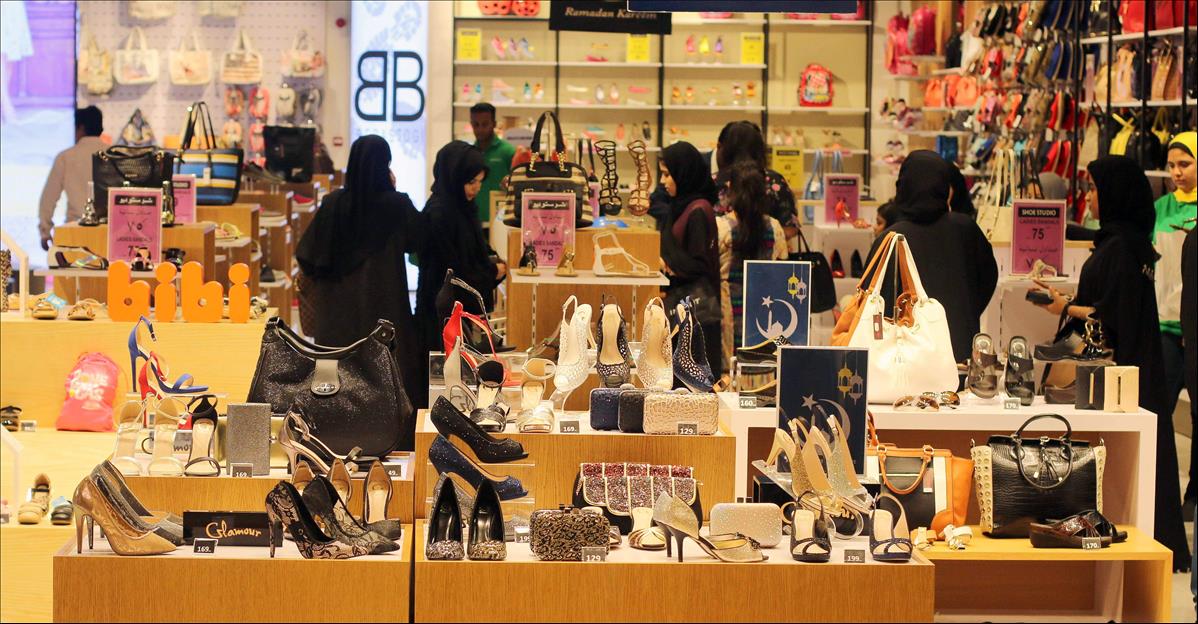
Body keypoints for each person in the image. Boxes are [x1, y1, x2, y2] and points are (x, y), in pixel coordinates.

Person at [1029, 155, 1189, 572]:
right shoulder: (1127, 242)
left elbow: (1110, 315)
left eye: (1097, 189)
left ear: (1116, 194)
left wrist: (1064, 307)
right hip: (1133, 368)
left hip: (1117, 377)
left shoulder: (1119, 248)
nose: (1092, 198)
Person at [295, 135, 424, 444]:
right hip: (385, 312)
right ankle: (388, 442)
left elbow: (306, 254)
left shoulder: (333, 204)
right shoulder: (397, 204)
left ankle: (335, 441)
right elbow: (419, 242)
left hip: (336, 316)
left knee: (337, 382)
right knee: (386, 380)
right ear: (385, 166)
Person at [866, 150, 997, 365]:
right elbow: (988, 278)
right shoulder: (965, 229)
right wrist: (965, 311)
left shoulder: (892, 237)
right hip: (958, 350)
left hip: (902, 357)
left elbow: (872, 297)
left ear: (903, 186)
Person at [416, 141, 505, 353]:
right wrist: (490, 272)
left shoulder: (462, 206)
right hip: (441, 311)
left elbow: (474, 249)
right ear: (454, 178)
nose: (477, 187)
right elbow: (451, 268)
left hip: (456, 310)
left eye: (480, 181)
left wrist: (491, 264)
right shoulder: (439, 213)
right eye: (471, 181)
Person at [1153, 132, 1197, 502]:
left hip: (1195, 325)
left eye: (1185, 164)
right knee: (1159, 411)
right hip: (1166, 322)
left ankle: (1194, 493)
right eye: (1171, 166)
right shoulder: (1161, 207)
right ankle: (1159, 493)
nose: (1177, 172)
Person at [659, 141, 722, 380]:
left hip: (697, 314)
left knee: (694, 381)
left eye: (667, 174)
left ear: (683, 173)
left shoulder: (698, 211)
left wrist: (667, 265)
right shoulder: (680, 206)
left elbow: (700, 266)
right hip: (682, 309)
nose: (663, 181)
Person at [716, 161, 787, 370]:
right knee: (761, 365)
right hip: (766, 308)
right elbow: (782, 267)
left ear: (731, 189)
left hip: (728, 309)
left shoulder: (721, 227)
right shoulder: (774, 227)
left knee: (730, 368)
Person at [713, 121, 800, 256]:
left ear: (723, 149)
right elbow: (790, 228)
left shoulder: (712, 183)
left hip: (720, 262)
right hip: (769, 262)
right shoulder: (774, 181)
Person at [38, 106, 106, 250]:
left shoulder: (66, 157)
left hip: (74, 234)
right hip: (107, 235)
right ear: (100, 128)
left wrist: (45, 231)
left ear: (80, 128)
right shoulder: (114, 156)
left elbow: (48, 198)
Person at [469, 102, 516, 223]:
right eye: (476, 124)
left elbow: (517, 187)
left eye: (485, 124)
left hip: (501, 221)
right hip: (474, 220)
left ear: (494, 124)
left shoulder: (508, 151)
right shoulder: (469, 153)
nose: (480, 129)